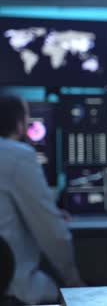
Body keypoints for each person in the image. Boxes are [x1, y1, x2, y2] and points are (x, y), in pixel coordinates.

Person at [0, 95, 83, 304]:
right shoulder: (18, 156)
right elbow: (52, 232)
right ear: (20, 125)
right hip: (13, 289)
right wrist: (73, 279)